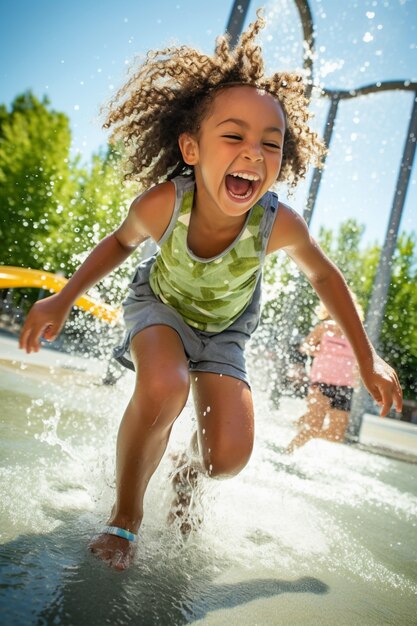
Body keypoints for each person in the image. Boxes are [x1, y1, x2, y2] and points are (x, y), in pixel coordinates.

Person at [19, 13, 402, 570]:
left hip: (225, 333)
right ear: (192, 149)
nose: (254, 153)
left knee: (227, 457)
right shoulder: (163, 203)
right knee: (164, 386)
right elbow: (120, 244)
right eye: (234, 136)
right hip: (162, 308)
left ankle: (186, 473)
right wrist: (64, 296)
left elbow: (324, 275)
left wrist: (366, 358)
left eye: (271, 144)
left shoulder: (279, 223)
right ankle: (124, 519)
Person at [286, 299, 362, 453]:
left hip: (346, 386)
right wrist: (315, 349)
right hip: (321, 383)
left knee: (336, 435)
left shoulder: (357, 334)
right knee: (314, 426)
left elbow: (361, 359)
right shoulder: (324, 328)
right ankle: (288, 451)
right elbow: (305, 346)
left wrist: (359, 378)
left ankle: (305, 423)